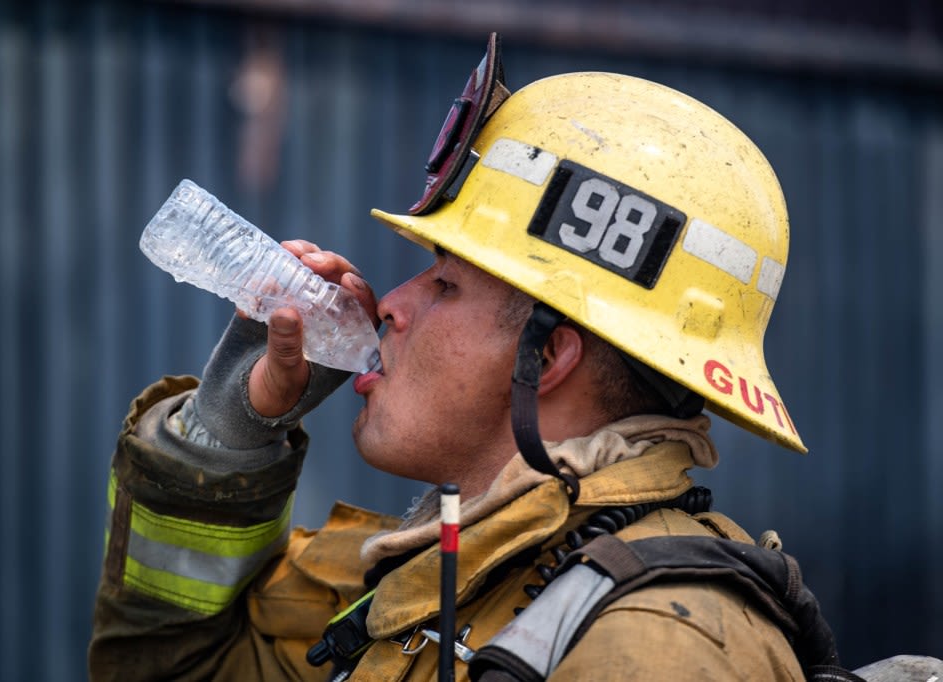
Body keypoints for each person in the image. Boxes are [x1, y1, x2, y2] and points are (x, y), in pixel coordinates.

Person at [89, 34, 817, 680]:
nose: (389, 304)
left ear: (551, 354)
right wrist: (232, 428)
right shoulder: (415, 584)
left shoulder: (660, 648)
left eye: (443, 282)